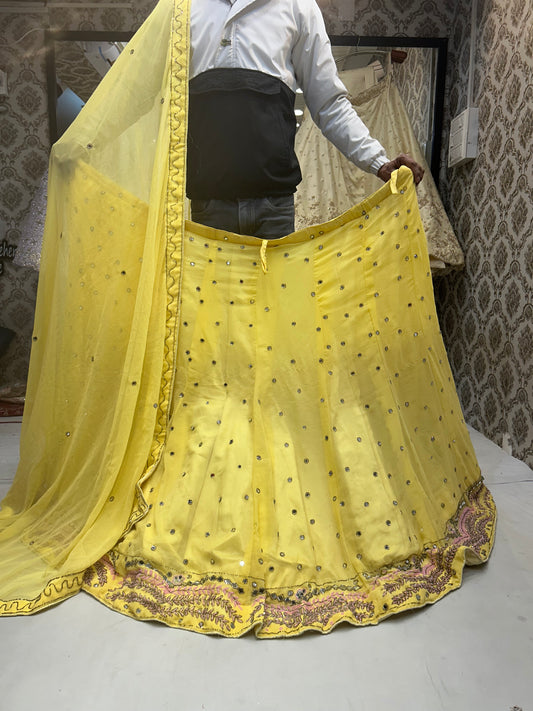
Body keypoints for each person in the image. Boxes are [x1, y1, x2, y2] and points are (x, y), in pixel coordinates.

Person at [187, 0, 424, 238]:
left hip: (274, 207)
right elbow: (165, 99)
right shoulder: (181, 7)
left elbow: (329, 104)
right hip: (207, 202)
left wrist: (378, 161)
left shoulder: (297, 6)